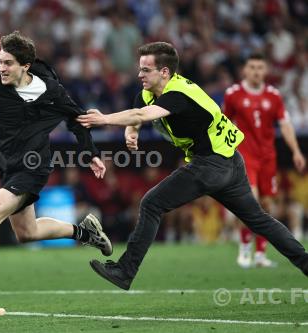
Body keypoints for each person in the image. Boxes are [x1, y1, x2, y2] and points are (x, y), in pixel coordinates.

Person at [77, 42, 308, 290]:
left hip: (210, 165)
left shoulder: (179, 95)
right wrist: (130, 133)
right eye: (140, 69)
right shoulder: (152, 91)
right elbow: (139, 109)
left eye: (146, 70)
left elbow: (141, 115)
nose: (139, 74)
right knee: (259, 220)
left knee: (151, 203)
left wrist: (104, 119)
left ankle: (125, 271)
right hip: (231, 161)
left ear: (164, 72)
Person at [0, 31, 110, 320]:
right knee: (27, 233)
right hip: (9, 166)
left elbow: (78, 120)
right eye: (0, 62)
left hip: (33, 166)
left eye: (8, 63)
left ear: (25, 66)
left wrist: (91, 153)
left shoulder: (52, 92)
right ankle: (85, 233)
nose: (2, 68)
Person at [223, 53, 306, 269]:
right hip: (244, 156)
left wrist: (296, 151)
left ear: (266, 70)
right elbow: (224, 123)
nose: (256, 71)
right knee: (251, 202)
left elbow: (285, 124)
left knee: (268, 207)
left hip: (268, 157)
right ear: (245, 70)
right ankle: (244, 249)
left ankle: (260, 254)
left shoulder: (274, 96)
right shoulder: (233, 94)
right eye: (252, 67)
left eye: (260, 67)